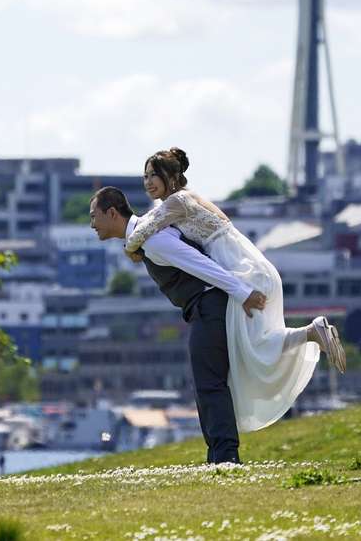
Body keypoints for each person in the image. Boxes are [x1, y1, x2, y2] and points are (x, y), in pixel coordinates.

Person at [124, 148, 346, 433]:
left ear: (173, 176)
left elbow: (144, 229)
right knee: (255, 345)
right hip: (250, 266)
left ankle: (312, 333)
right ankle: (312, 333)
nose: (148, 182)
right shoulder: (187, 199)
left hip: (243, 271)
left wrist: (131, 248)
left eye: (154, 175)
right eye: (144, 176)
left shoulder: (178, 200)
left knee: (253, 350)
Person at [90, 187, 265, 464]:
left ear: (112, 213)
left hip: (208, 305)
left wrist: (242, 293)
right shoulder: (143, 237)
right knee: (207, 383)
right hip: (203, 308)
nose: (91, 224)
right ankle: (219, 455)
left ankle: (225, 457)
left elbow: (200, 265)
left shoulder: (152, 239)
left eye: (94, 216)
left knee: (210, 384)